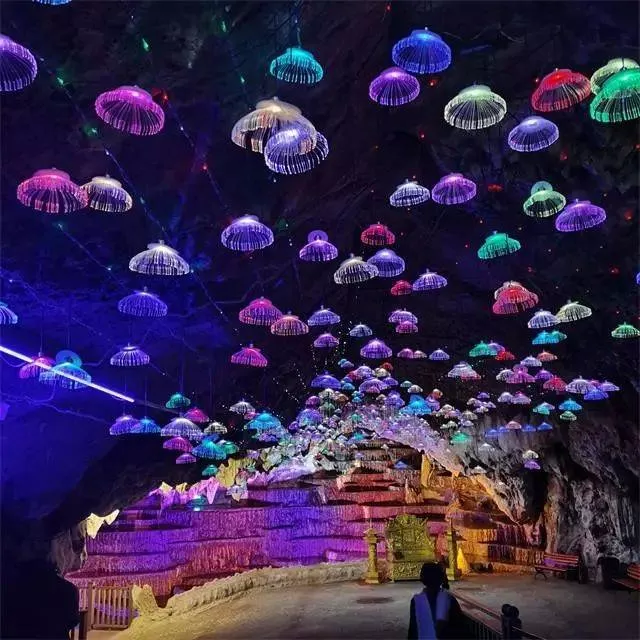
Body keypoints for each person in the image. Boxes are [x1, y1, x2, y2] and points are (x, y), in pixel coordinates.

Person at [407, 562, 466, 640]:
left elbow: (413, 630)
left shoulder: (416, 600)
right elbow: (459, 628)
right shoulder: (448, 599)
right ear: (440, 578)